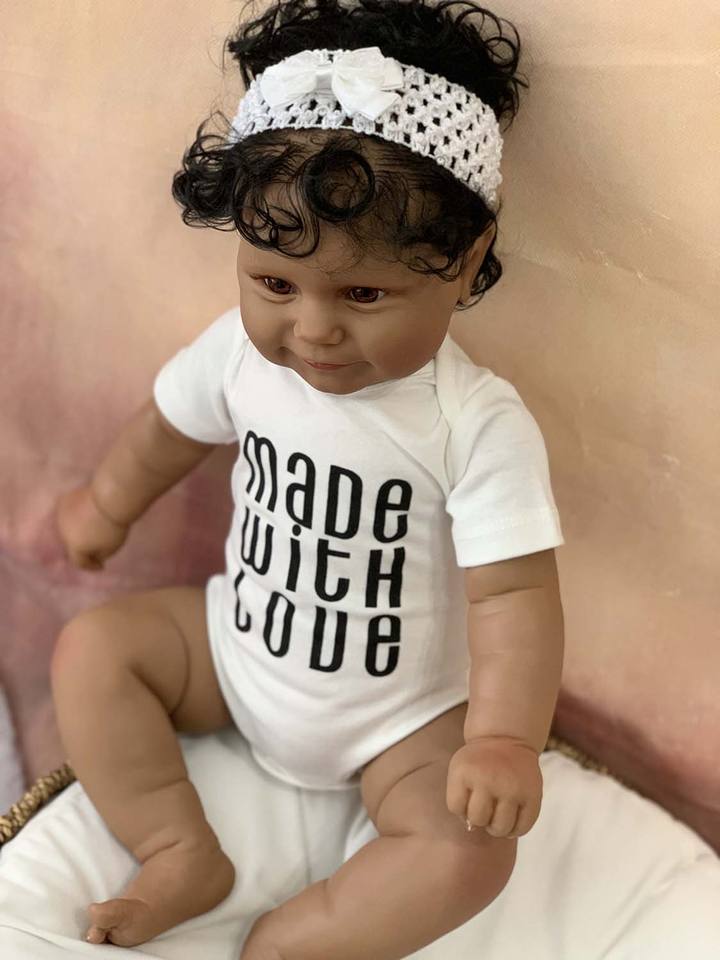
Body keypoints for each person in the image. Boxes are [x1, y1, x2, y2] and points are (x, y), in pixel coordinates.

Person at [51, 1, 565, 957]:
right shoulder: (238, 358)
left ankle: (295, 941)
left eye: (364, 293)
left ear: (464, 264)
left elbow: (514, 593)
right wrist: (105, 506)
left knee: (470, 853)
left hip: (398, 723)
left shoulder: (475, 423)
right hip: (233, 651)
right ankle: (175, 848)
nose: (315, 329)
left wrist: (503, 741)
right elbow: (165, 430)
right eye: (275, 285)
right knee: (92, 651)